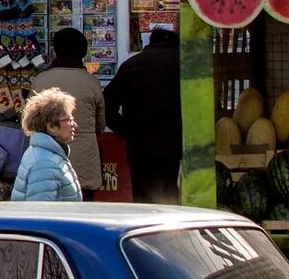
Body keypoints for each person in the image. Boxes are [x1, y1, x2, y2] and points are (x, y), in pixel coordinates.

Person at [105, 26, 186, 203]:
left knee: (142, 197)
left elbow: (106, 106)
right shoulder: (183, 65)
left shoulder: (131, 65)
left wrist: (126, 131)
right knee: (169, 193)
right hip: (172, 143)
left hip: (139, 145)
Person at [28, 28, 108, 194]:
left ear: (55, 50)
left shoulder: (40, 80)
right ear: (83, 52)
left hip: (45, 161)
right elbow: (100, 125)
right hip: (83, 160)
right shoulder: (91, 82)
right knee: (84, 209)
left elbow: (30, 124)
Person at [12, 87, 86, 203]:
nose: (74, 125)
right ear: (51, 127)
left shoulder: (43, 153)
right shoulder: (45, 163)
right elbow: (40, 214)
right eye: (69, 120)